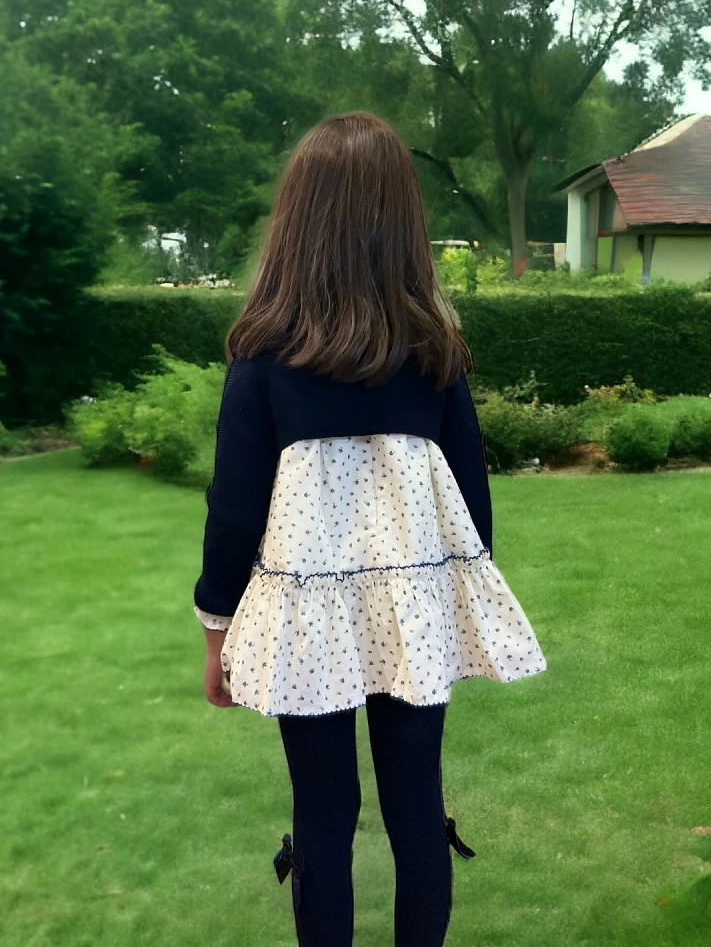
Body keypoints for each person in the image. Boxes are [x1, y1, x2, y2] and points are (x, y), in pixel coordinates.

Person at [192, 111, 547, 947]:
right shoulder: (435, 354)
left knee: (322, 814)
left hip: (307, 622)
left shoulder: (263, 356)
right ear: (403, 220)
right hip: (413, 617)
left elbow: (234, 510)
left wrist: (217, 636)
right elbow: (471, 504)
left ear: (297, 221)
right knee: (417, 806)